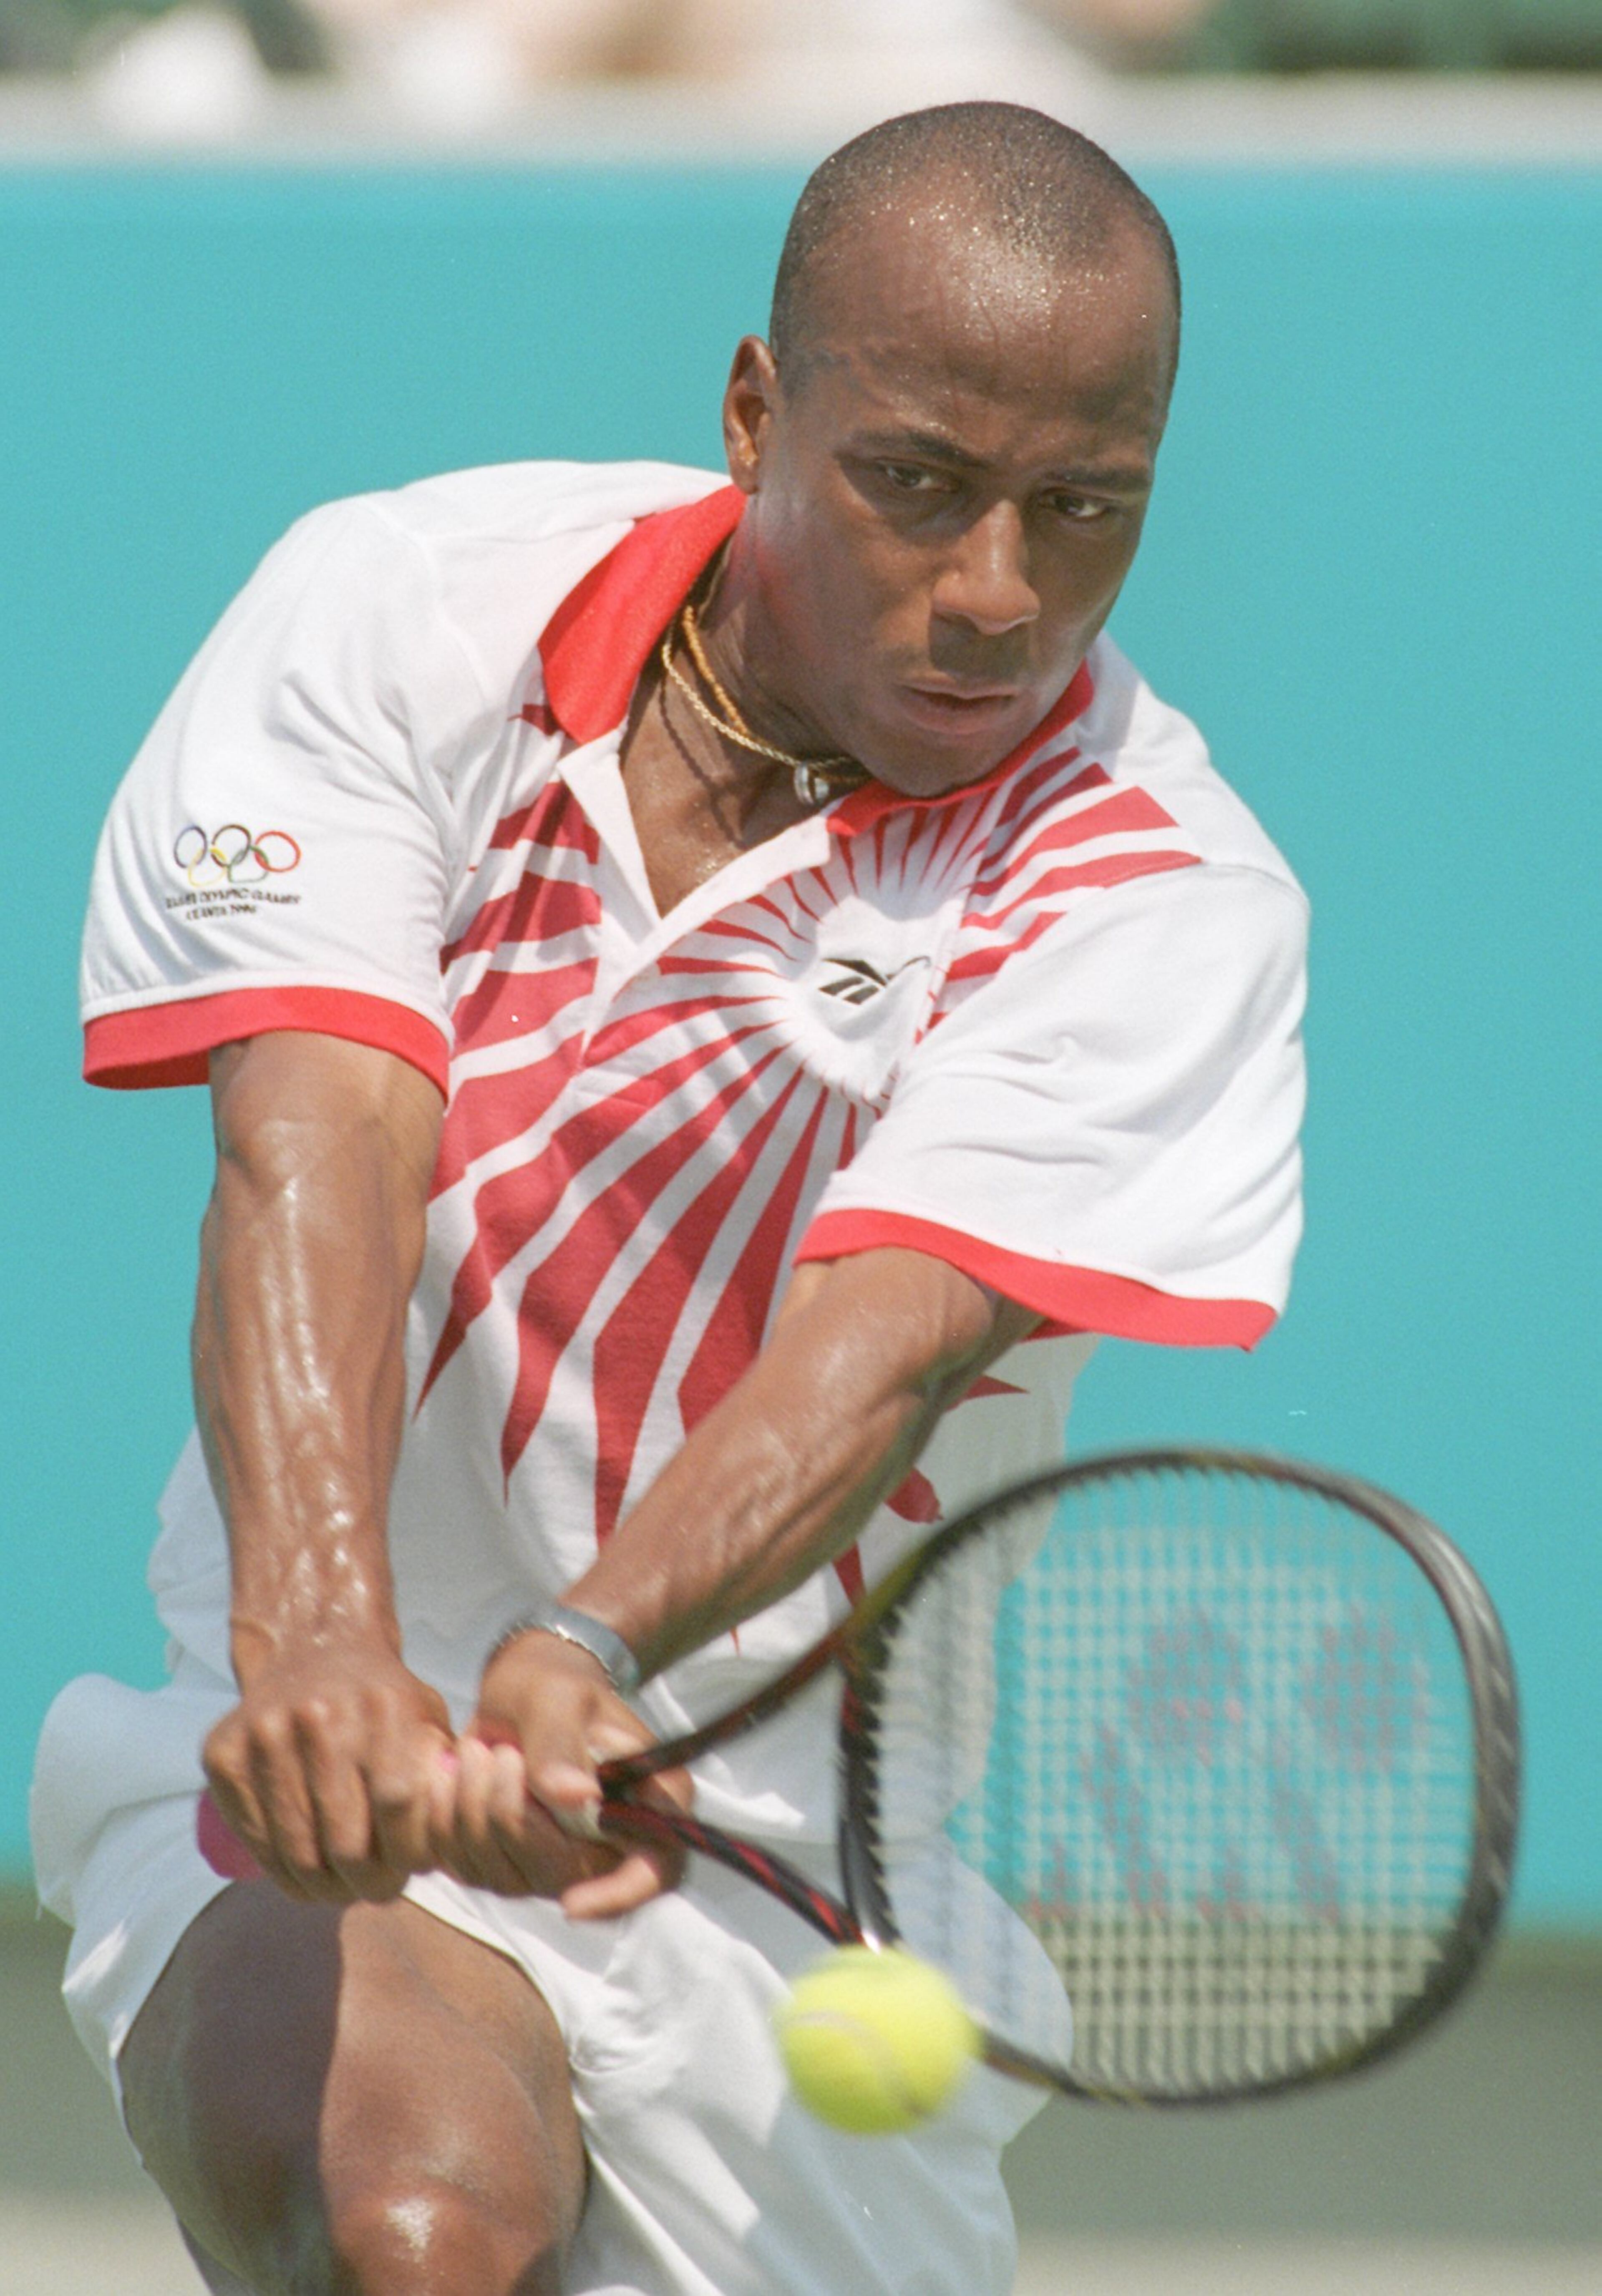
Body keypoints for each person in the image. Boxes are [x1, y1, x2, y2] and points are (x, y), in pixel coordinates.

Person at [32, 100, 1306, 2296]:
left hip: (793, 1891)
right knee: (415, 2236)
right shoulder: (407, 613)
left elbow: (885, 1340)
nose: (996, 593)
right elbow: (313, 1138)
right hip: (318, 1785)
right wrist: (328, 1650)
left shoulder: (1162, 893)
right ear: (754, 408)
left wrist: (602, 1648)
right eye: (916, 480)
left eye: (1083, 512)